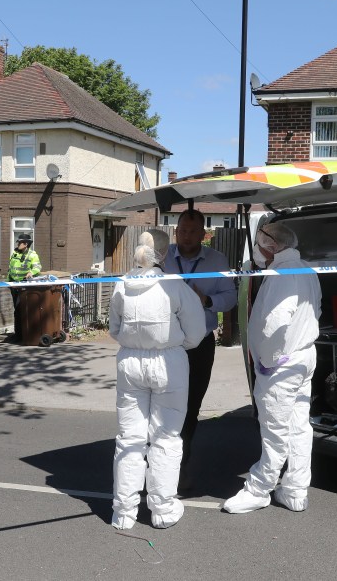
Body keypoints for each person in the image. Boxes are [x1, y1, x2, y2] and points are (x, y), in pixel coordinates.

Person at [222, 221, 321, 514]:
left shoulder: (282, 275)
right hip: (303, 358)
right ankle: (295, 489)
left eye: (260, 244)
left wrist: (268, 360)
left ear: (272, 246)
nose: (257, 250)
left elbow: (276, 322)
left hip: (282, 365)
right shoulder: (306, 270)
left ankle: (259, 489)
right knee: (299, 426)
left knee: (275, 431)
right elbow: (316, 309)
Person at [110, 230, 205, 530]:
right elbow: (196, 332)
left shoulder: (120, 286)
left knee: (129, 437)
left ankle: (123, 512)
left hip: (129, 363)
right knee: (165, 437)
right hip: (169, 363)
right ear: (165, 254)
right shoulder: (174, 286)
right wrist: (172, 344)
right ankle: (162, 509)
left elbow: (114, 328)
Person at [167, 210, 238, 479]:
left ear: (204, 234)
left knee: (191, 404)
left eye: (193, 231)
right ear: (176, 232)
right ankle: (161, 461)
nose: (186, 236)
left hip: (200, 344)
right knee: (164, 402)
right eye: (182, 230)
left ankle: (181, 463)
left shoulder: (217, 260)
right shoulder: (162, 259)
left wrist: (206, 301)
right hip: (168, 343)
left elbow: (230, 298)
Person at [7, 234, 41, 342]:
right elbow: (10, 268)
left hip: (25, 286)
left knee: (22, 310)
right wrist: (9, 283)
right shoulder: (14, 253)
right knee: (16, 311)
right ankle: (18, 335)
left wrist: (31, 272)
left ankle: (24, 335)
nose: (17, 244)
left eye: (19, 242)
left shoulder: (32, 255)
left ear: (25, 244)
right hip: (14, 286)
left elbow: (37, 267)